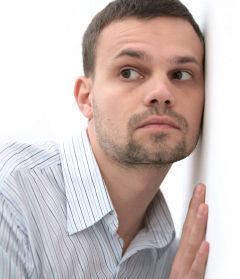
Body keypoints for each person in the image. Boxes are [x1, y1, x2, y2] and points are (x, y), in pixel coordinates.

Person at [0, 0, 209, 278]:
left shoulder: (170, 256)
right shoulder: (11, 194)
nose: (161, 91)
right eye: (129, 72)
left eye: (180, 75)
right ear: (86, 98)